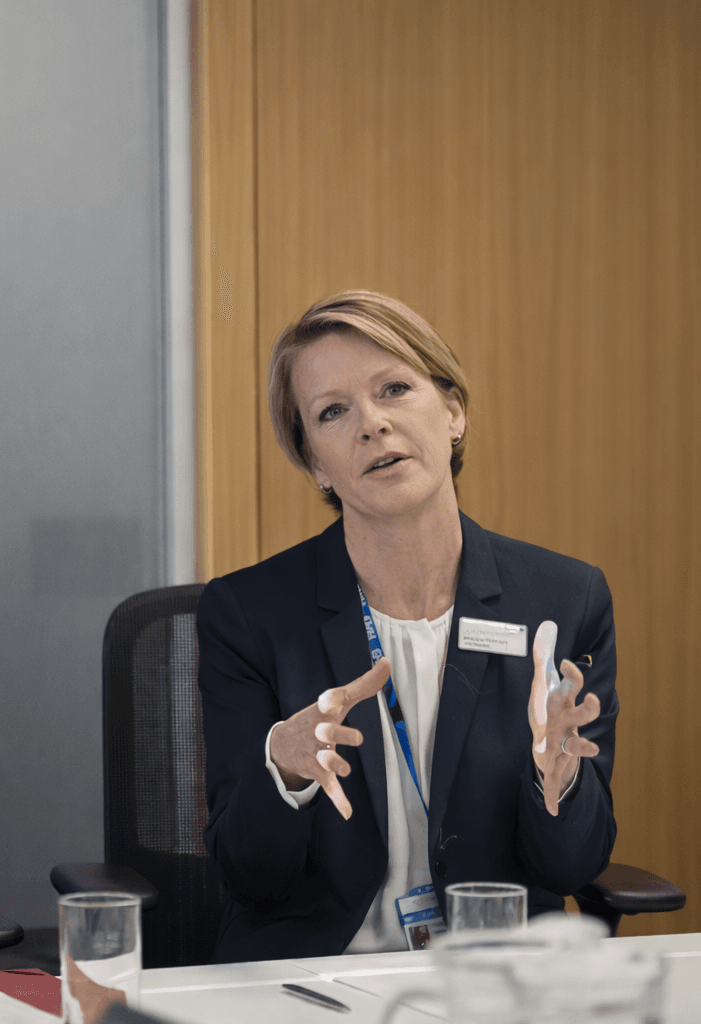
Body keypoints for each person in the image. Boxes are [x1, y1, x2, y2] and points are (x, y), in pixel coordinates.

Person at [198, 291, 616, 962]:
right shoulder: (248, 613)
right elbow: (250, 877)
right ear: (315, 463)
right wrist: (286, 769)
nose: (373, 425)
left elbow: (571, 870)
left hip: (492, 984)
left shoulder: (564, 599)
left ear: (452, 411)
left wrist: (559, 780)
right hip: (319, 982)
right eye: (333, 412)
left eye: (394, 389)